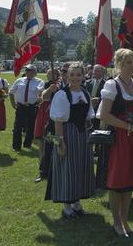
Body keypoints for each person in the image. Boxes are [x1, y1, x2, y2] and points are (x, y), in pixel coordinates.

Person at [99, 48, 133, 237]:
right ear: (119, 64)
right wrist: (128, 127)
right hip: (119, 139)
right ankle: (116, 222)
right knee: (117, 180)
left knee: (129, 180)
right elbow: (104, 115)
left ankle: (125, 220)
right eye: (129, 62)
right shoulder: (112, 85)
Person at [45, 63, 95, 218]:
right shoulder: (62, 94)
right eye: (72, 75)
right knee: (67, 167)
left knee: (81, 167)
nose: (75, 78)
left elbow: (88, 116)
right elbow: (58, 121)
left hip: (82, 135)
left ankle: (76, 202)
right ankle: (67, 205)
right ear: (67, 76)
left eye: (78, 75)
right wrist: (60, 143)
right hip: (66, 133)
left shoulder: (85, 93)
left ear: (83, 76)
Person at [34, 68, 61, 183]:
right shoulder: (48, 84)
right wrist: (50, 89)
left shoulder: (65, 84)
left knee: (58, 142)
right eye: (50, 74)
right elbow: (43, 96)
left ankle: (56, 169)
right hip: (48, 115)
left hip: (60, 118)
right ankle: (43, 170)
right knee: (48, 140)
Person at [9, 64, 44, 151]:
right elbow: (11, 92)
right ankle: (16, 146)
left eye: (30, 70)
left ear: (35, 72)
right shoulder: (19, 80)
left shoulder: (39, 81)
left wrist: (40, 94)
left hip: (32, 106)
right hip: (21, 106)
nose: (28, 72)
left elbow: (40, 90)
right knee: (18, 127)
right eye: (27, 70)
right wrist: (13, 103)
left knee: (31, 127)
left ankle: (27, 145)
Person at [85, 64, 106, 130]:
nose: (94, 72)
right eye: (94, 70)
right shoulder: (88, 83)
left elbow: (106, 97)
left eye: (97, 71)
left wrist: (98, 99)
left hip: (98, 110)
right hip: (88, 109)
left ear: (102, 73)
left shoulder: (106, 84)